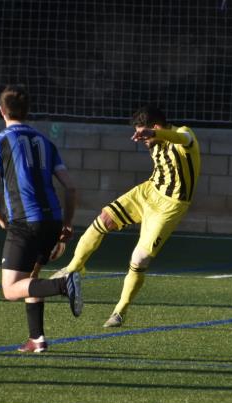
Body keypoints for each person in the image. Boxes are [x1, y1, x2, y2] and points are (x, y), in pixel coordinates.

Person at [53, 105, 200, 327]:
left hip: (170, 206)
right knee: (104, 218)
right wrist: (151, 135)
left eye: (145, 134)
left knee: (139, 259)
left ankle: (119, 311)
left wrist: (155, 134)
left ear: (156, 127)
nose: (144, 140)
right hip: (148, 191)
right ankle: (71, 270)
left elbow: (184, 139)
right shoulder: (155, 142)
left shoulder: (183, 134)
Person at [0, 85, 82, 353]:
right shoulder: (46, 142)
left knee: (10, 290)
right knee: (31, 278)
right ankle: (36, 338)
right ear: (27, 112)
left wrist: (1, 218)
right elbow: (70, 188)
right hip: (52, 220)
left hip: (25, 221)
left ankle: (63, 284)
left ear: (2, 111)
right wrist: (67, 223)